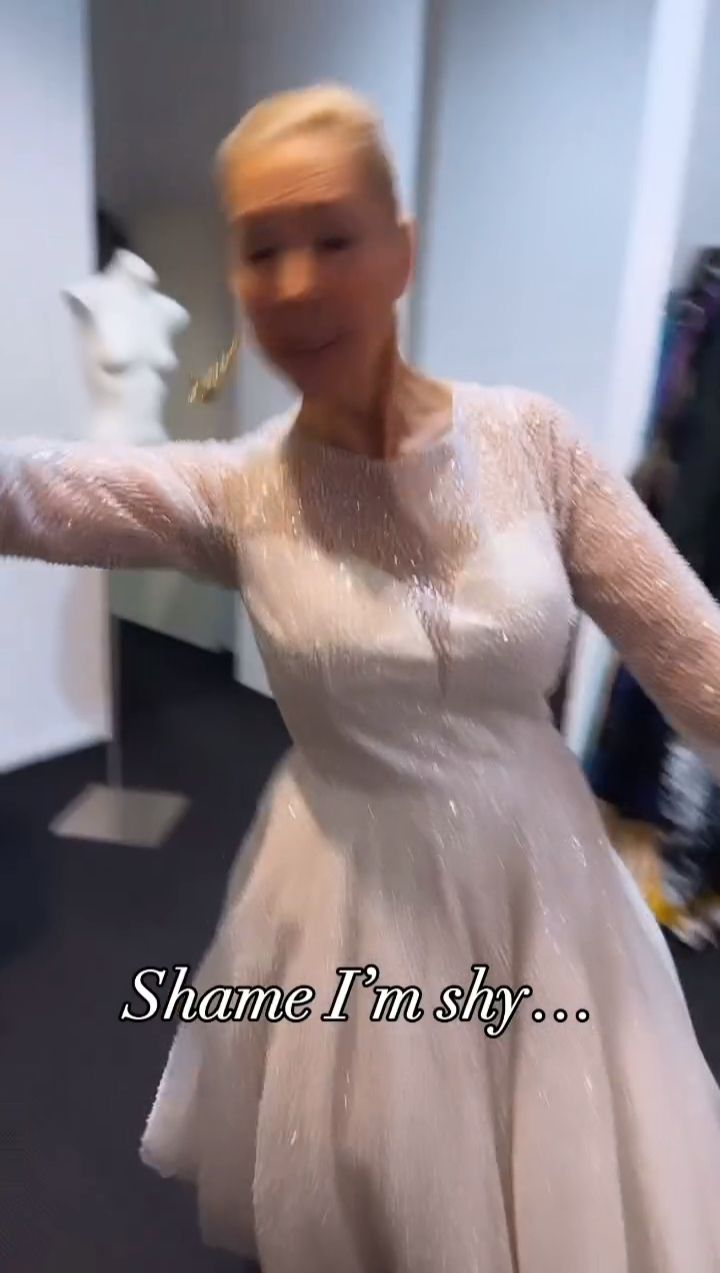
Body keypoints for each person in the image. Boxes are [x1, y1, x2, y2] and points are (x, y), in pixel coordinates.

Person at [2, 84, 720, 1272]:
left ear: (401, 251)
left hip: (539, 887)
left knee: (565, 1183)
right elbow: (31, 491)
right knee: (373, 1196)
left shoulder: (532, 443)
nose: (295, 283)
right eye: (260, 249)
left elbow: (698, 657)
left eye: (333, 238)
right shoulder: (243, 492)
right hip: (344, 900)